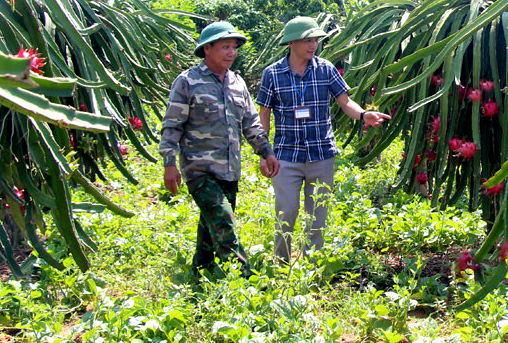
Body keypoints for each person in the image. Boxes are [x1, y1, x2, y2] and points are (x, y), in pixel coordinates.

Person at [257, 16, 390, 262]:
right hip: (286, 155)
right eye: (308, 40)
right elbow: (264, 114)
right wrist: (265, 152)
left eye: (315, 40)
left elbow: (345, 101)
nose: (313, 45)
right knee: (287, 211)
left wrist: (363, 115)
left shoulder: (325, 68)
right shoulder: (272, 74)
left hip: (321, 153)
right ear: (291, 43)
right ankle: (282, 260)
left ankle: (312, 262)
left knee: (318, 213)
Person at [160, 21, 280, 278]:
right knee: (224, 222)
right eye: (225, 47)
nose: (231, 52)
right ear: (207, 49)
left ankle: (199, 271)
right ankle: (244, 281)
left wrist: (266, 152)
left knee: (210, 224)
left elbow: (251, 123)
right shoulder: (188, 82)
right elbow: (172, 125)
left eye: (234, 47)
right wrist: (169, 164)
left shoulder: (238, 83)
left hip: (230, 169)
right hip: (199, 169)